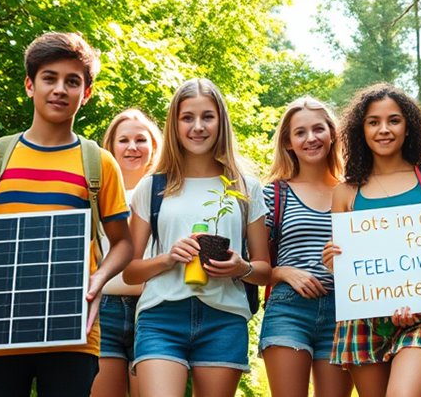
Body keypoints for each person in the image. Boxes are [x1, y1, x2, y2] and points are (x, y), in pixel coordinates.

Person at [0, 32, 134, 397]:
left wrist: (99, 278)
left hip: (73, 332)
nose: (60, 89)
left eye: (72, 81)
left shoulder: (99, 163)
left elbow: (123, 244)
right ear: (29, 85)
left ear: (85, 94)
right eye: (49, 78)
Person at [122, 78, 271, 397]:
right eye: (188, 117)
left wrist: (239, 267)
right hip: (161, 316)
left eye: (208, 117)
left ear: (221, 122)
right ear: (174, 124)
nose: (198, 127)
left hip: (224, 318)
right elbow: (130, 270)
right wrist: (168, 257)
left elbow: (264, 270)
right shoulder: (152, 188)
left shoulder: (246, 188)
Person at [322, 84, 421, 397]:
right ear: (361, 130)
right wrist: (335, 262)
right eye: (373, 122)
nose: (383, 129)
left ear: (408, 127)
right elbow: (349, 268)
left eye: (394, 120)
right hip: (364, 320)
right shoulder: (345, 192)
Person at [259, 97, 353, 397]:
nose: (310, 138)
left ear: (332, 134)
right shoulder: (273, 194)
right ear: (288, 142)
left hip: (345, 309)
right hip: (289, 308)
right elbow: (250, 267)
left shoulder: (355, 190)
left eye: (318, 129)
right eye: (300, 132)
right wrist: (285, 273)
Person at [92, 109, 162, 397]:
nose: (132, 147)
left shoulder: (166, 191)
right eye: (124, 140)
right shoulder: (95, 194)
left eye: (140, 140)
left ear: (154, 147)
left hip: (155, 309)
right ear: (111, 147)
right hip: (103, 309)